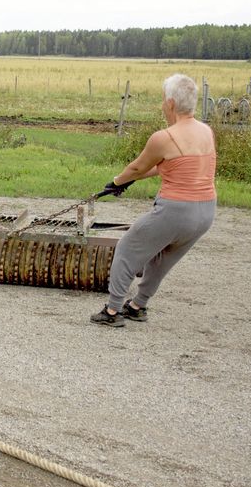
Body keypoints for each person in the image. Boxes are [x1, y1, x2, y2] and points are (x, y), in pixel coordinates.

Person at [90, 73, 216, 328]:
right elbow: (165, 166)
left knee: (126, 249)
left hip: (176, 211)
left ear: (170, 103)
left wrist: (117, 182)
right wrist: (129, 180)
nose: (162, 105)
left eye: (162, 100)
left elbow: (137, 167)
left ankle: (113, 311)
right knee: (162, 258)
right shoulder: (206, 131)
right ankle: (138, 306)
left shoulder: (164, 137)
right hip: (206, 212)